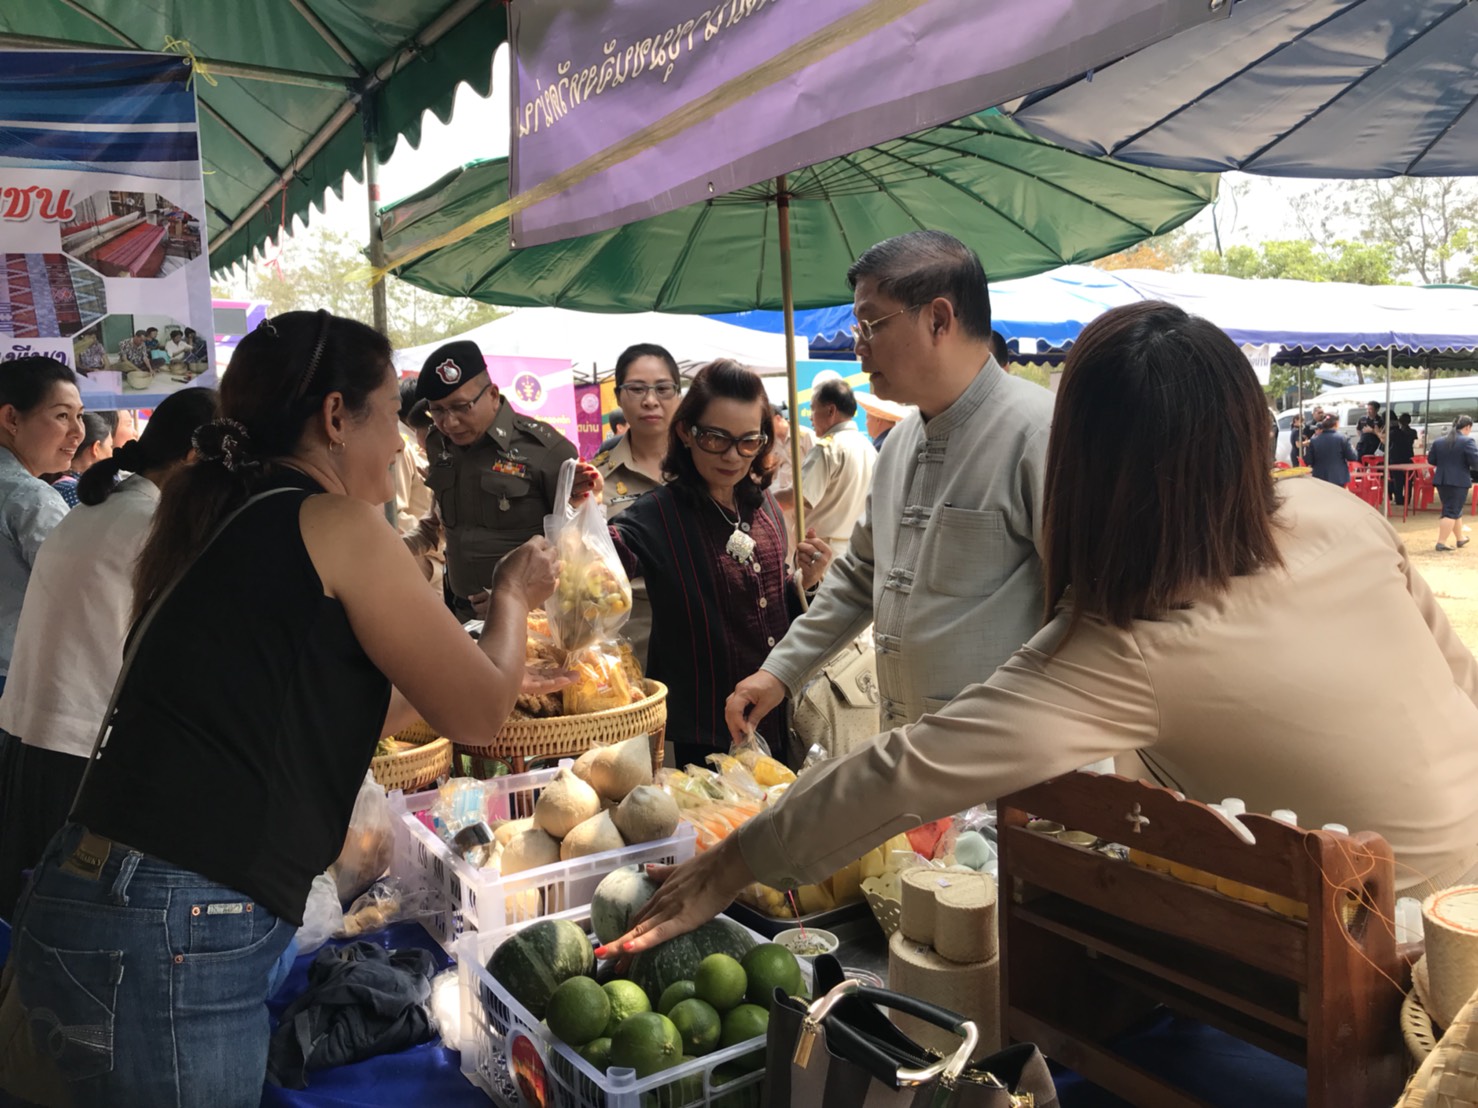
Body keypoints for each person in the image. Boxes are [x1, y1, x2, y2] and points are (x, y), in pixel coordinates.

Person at [608, 302, 1478, 957]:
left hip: (1398, 958)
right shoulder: (1337, 511)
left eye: (874, 317)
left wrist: (723, 870)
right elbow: (1461, 678)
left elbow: (900, 772)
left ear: (1085, 466)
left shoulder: (1130, 640)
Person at [0, 311, 560, 1105]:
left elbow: (313, 704)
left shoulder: (218, 517)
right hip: (174, 926)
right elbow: (477, 714)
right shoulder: (333, 521)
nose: (401, 445)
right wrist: (510, 596)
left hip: (99, 900)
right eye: (388, 414)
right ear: (336, 417)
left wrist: (475, 658)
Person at [727, 231, 1055, 739]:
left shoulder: (1041, 434)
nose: (857, 345)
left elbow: (1090, 612)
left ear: (938, 320)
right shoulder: (900, 443)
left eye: (871, 324)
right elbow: (861, 574)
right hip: (908, 749)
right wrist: (779, 672)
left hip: (1011, 757)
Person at [0, 387, 218, 917]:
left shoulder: (100, 510)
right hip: (79, 760)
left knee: (34, 920)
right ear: (194, 459)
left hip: (32, 744)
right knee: (71, 927)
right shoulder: (153, 529)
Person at [586, 360, 832, 767]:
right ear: (686, 432)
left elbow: (771, 604)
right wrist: (582, 516)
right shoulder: (656, 516)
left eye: (749, 441)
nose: (734, 456)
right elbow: (596, 566)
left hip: (777, 718)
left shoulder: (764, 505)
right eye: (716, 438)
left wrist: (808, 582)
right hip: (705, 738)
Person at [415, 339, 577, 620]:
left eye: (461, 407)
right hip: (459, 612)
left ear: (491, 394)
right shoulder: (438, 444)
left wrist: (516, 598)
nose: (449, 422)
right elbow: (439, 521)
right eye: (438, 410)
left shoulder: (547, 450)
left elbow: (577, 548)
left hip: (531, 620)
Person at [592, 343, 682, 665]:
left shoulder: (708, 468)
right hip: (631, 647)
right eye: (637, 389)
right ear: (619, 396)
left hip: (706, 639)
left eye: (662, 388)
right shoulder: (596, 478)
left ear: (678, 394)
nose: (650, 400)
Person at [0, 356, 84, 699]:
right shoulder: (29, 497)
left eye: (79, 416)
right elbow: (80, 592)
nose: (78, 432)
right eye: (62, 415)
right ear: (11, 418)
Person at [776, 377, 876, 562]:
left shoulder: (828, 449)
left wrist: (762, 501)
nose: (810, 416)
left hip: (819, 553)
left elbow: (796, 498)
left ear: (830, 410)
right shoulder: (867, 447)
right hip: (854, 550)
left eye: (813, 409)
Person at [1427, 415, 1478, 552]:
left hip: (1442, 479)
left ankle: (1460, 538)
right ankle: (1441, 542)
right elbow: (1475, 462)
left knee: (1455, 509)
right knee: (1451, 511)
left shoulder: (1439, 442)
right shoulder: (1467, 442)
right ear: (1467, 427)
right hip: (1458, 480)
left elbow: (1431, 460)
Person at [392, 375, 433, 536]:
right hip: (422, 552)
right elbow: (395, 513)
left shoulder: (423, 442)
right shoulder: (402, 447)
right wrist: (432, 536)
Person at [50, 411, 114, 508]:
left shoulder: (65, 487)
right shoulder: (75, 491)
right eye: (110, 447)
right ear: (95, 448)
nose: (112, 454)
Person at [1309, 414, 1358, 486]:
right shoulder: (1343, 438)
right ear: (1336, 424)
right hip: (1339, 477)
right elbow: (1352, 457)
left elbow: (1309, 460)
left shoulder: (1314, 440)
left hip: (1319, 477)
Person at [1387, 412, 1419, 505]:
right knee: (1408, 480)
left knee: (1398, 480)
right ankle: (1407, 499)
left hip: (1396, 457)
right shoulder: (1413, 432)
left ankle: (1399, 499)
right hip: (1408, 456)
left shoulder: (1395, 433)